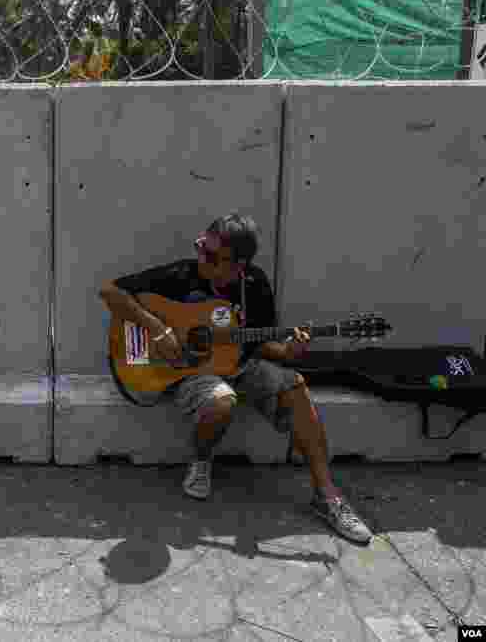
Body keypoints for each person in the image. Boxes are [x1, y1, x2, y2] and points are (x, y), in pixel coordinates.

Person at [98, 213, 373, 544]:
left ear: (238, 265)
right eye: (201, 247)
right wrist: (159, 329)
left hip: (240, 363)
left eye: (212, 256)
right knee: (220, 401)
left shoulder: (254, 286)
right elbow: (110, 292)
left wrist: (289, 353)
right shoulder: (182, 274)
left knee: (295, 385)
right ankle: (201, 459)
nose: (202, 257)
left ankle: (327, 496)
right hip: (191, 371)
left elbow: (264, 347)